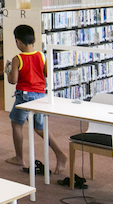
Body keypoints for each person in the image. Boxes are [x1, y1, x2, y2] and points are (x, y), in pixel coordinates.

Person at [6, 24, 68, 175]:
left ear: (17, 41)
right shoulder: (41, 55)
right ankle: (59, 153)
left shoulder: (17, 59)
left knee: (16, 124)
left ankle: (19, 157)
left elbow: (13, 81)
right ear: (33, 40)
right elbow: (46, 74)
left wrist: (8, 72)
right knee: (40, 128)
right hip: (40, 95)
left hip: (24, 96)